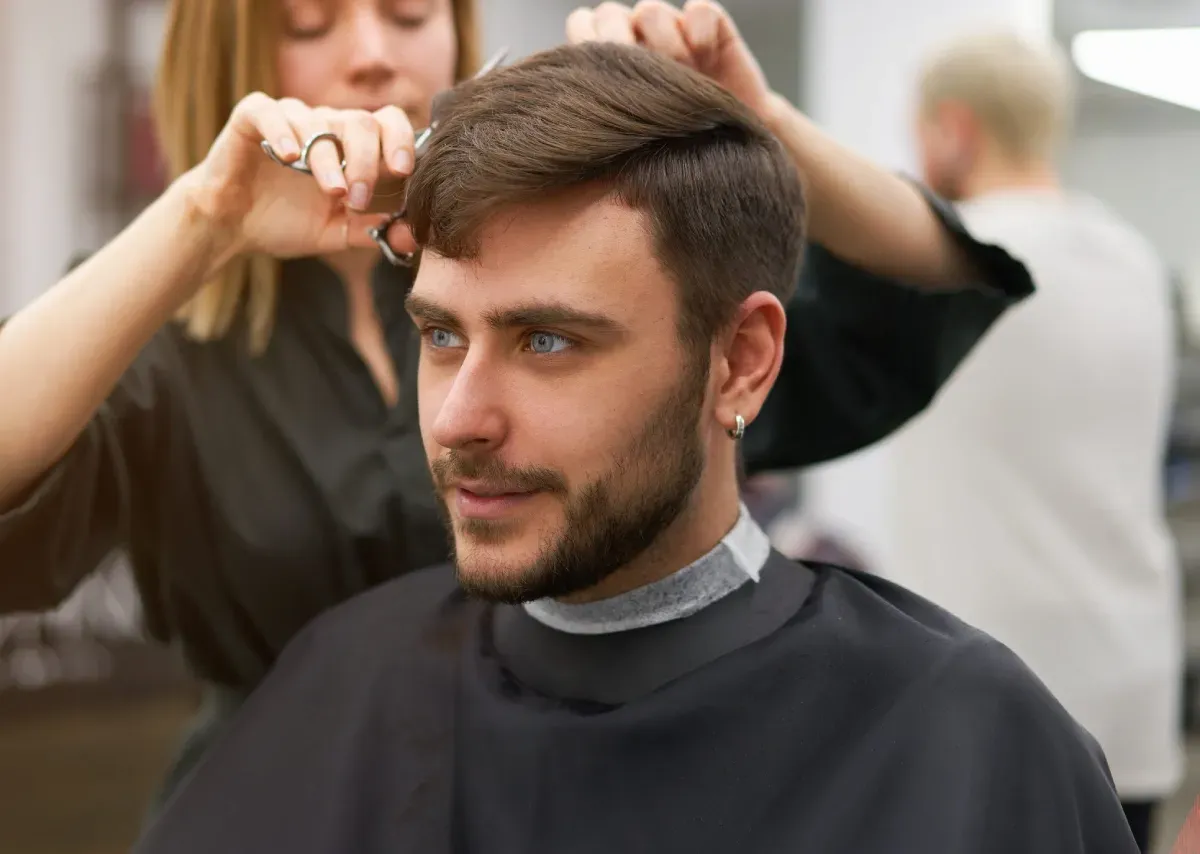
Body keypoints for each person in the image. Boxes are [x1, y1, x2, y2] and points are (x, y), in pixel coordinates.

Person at [0, 0, 1027, 805]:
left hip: (595, 784)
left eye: (410, 16)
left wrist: (752, 123)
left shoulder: (607, 274)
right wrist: (201, 223)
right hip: (287, 800)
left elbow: (931, 279)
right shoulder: (173, 323)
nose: (371, 55)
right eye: (307, 25)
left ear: (738, 365)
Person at [880, 30, 1183, 853]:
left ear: (954, 129)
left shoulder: (942, 257)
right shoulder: (1135, 259)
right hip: (1127, 681)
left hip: (986, 693)